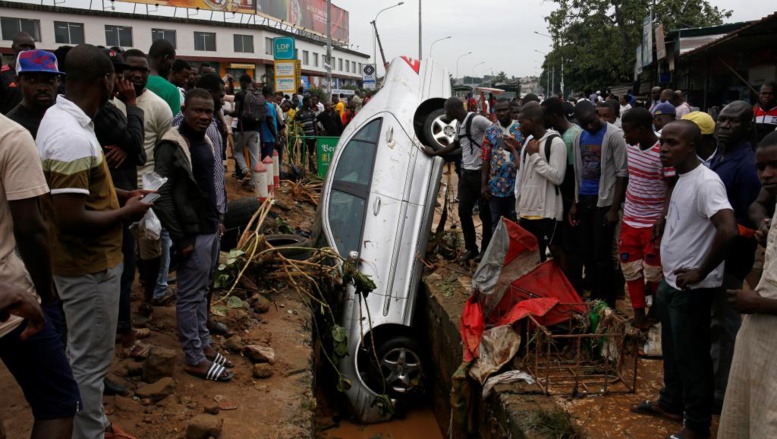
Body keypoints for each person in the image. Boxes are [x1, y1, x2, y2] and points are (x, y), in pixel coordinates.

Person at [36, 43, 151, 439]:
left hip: (82, 264)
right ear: (106, 80)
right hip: (89, 267)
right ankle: (90, 434)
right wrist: (126, 213)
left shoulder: (64, 119)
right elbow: (70, 218)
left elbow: (77, 193)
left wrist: (121, 196)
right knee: (90, 361)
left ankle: (95, 423)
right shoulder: (71, 136)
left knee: (83, 354)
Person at [631, 120, 736, 439]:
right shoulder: (681, 176)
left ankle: (697, 425)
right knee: (674, 351)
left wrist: (701, 271)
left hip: (692, 287)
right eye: (662, 142)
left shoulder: (707, 182)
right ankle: (671, 402)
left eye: (672, 143)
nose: (663, 149)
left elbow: (728, 230)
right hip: (672, 281)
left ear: (692, 146)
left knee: (693, 358)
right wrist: (663, 221)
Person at [0, 110, 81, 439]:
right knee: (57, 402)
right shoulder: (10, 136)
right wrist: (47, 297)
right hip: (12, 302)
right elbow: (31, 229)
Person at [153, 88, 235, 383]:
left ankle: (204, 344)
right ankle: (194, 357)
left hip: (209, 227)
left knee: (202, 291)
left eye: (208, 112)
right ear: (184, 110)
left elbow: (208, 186)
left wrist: (218, 220)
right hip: (191, 232)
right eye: (197, 110)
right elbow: (161, 195)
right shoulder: (172, 144)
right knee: (189, 296)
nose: (203, 116)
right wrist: (181, 238)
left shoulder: (206, 140)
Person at [718, 130, 777, 439]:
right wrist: (765, 224)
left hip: (766, 311)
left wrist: (761, 304)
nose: (766, 175)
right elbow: (758, 206)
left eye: (775, 166)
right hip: (763, 330)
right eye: (761, 167)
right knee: (755, 405)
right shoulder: (771, 191)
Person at [94, 48, 148, 366]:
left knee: (124, 268)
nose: (122, 79)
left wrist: (128, 149)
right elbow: (138, 144)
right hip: (113, 202)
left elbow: (137, 152)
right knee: (121, 269)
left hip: (120, 193)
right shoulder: (105, 110)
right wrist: (132, 105)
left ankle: (120, 327)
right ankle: (121, 332)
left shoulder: (109, 108)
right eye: (115, 73)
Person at [112, 49, 175, 313]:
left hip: (149, 187)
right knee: (120, 248)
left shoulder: (159, 106)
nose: (137, 74)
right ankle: (121, 301)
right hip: (116, 188)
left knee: (151, 244)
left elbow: (165, 149)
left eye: (143, 70)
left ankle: (149, 298)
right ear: (121, 70)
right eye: (131, 69)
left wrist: (157, 189)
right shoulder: (108, 103)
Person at [708, 100, 761, 412]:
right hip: (713, 252)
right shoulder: (719, 154)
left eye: (734, 121)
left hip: (732, 255)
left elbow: (748, 221)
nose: (725, 126)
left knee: (724, 322)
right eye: (723, 119)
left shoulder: (747, 165)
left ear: (747, 126)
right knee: (714, 320)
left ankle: (721, 391)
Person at [619, 107, 675, 329]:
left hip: (652, 223)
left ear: (642, 129)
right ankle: (638, 314)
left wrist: (663, 217)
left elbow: (672, 185)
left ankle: (658, 312)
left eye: (628, 131)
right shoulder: (630, 147)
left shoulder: (663, 152)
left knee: (654, 272)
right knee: (630, 268)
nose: (625, 136)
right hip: (630, 220)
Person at [569, 100, 627, 308]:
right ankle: (594, 296)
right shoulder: (579, 137)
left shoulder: (614, 135)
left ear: (596, 113)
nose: (590, 125)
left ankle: (607, 300)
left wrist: (614, 208)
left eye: (592, 120)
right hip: (585, 198)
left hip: (604, 201)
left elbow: (622, 173)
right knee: (588, 252)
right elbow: (579, 172)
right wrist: (575, 203)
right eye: (585, 123)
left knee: (602, 253)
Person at [423, 97, 493, 262]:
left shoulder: (478, 120)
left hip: (480, 173)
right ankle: (471, 248)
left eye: (447, 110)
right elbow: (455, 145)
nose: (446, 114)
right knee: (463, 211)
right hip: (466, 174)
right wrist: (435, 153)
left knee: (485, 215)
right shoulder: (459, 125)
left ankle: (485, 249)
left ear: (454, 109)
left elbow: (494, 133)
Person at [515, 101, 567, 263]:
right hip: (527, 210)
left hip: (547, 212)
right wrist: (519, 207)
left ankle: (568, 280)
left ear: (532, 121)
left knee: (555, 249)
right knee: (532, 254)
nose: (519, 127)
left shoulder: (555, 142)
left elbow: (558, 177)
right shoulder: (528, 142)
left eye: (521, 122)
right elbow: (522, 176)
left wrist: (535, 156)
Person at [542, 97, 581, 287]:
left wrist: (573, 203)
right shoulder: (568, 133)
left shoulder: (569, 139)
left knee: (570, 245)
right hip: (566, 198)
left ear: (554, 115)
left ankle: (573, 286)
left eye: (544, 116)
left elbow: (575, 175)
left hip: (569, 198)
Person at [480, 98, 522, 229]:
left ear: (511, 110)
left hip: (517, 186)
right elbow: (485, 158)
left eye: (505, 110)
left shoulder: (520, 129)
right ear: (494, 112)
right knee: (497, 224)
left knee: (515, 224)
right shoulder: (490, 131)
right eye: (499, 110)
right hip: (495, 187)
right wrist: (483, 185)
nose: (502, 113)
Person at [7, 50, 63, 139]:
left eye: (49, 80)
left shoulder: (67, 117)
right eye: (32, 80)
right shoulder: (10, 128)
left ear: (58, 81)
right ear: (18, 81)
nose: (42, 88)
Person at [233, 74, 261, 182]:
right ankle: (254, 182)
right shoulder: (258, 94)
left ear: (243, 82)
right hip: (256, 130)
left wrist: (226, 112)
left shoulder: (240, 94)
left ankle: (245, 170)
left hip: (242, 129)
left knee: (237, 151)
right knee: (254, 157)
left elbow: (236, 113)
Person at [0, 32, 36, 114]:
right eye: (23, 46)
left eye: (31, 47)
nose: (28, 50)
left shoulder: (39, 74)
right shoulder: (2, 74)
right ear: (13, 47)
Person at [146, 39, 180, 115]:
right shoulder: (171, 90)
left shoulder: (130, 82)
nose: (171, 67)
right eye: (172, 62)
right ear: (166, 58)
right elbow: (174, 121)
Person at [295, 96, 318, 173]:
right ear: (305, 102)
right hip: (303, 138)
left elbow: (315, 124)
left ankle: (311, 169)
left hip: (312, 137)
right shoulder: (298, 113)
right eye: (310, 102)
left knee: (311, 154)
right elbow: (296, 125)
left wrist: (316, 136)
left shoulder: (312, 112)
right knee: (303, 153)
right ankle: (302, 169)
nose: (311, 103)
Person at [260, 85, 279, 159]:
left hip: (264, 137)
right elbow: (270, 123)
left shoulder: (262, 104)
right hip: (269, 137)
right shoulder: (269, 106)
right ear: (271, 94)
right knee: (267, 159)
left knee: (265, 158)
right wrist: (276, 138)